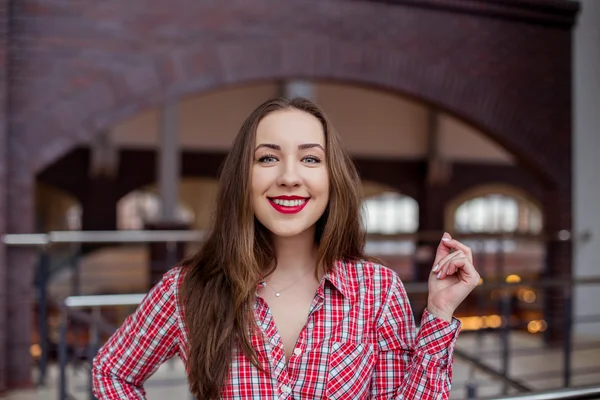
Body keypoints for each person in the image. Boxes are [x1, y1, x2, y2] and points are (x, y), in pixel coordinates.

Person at [92, 97, 480, 399]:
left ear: (332, 179)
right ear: (243, 177)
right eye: (267, 158)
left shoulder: (378, 290)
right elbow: (112, 373)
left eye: (310, 158)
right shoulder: (187, 288)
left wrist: (438, 314)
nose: (289, 176)